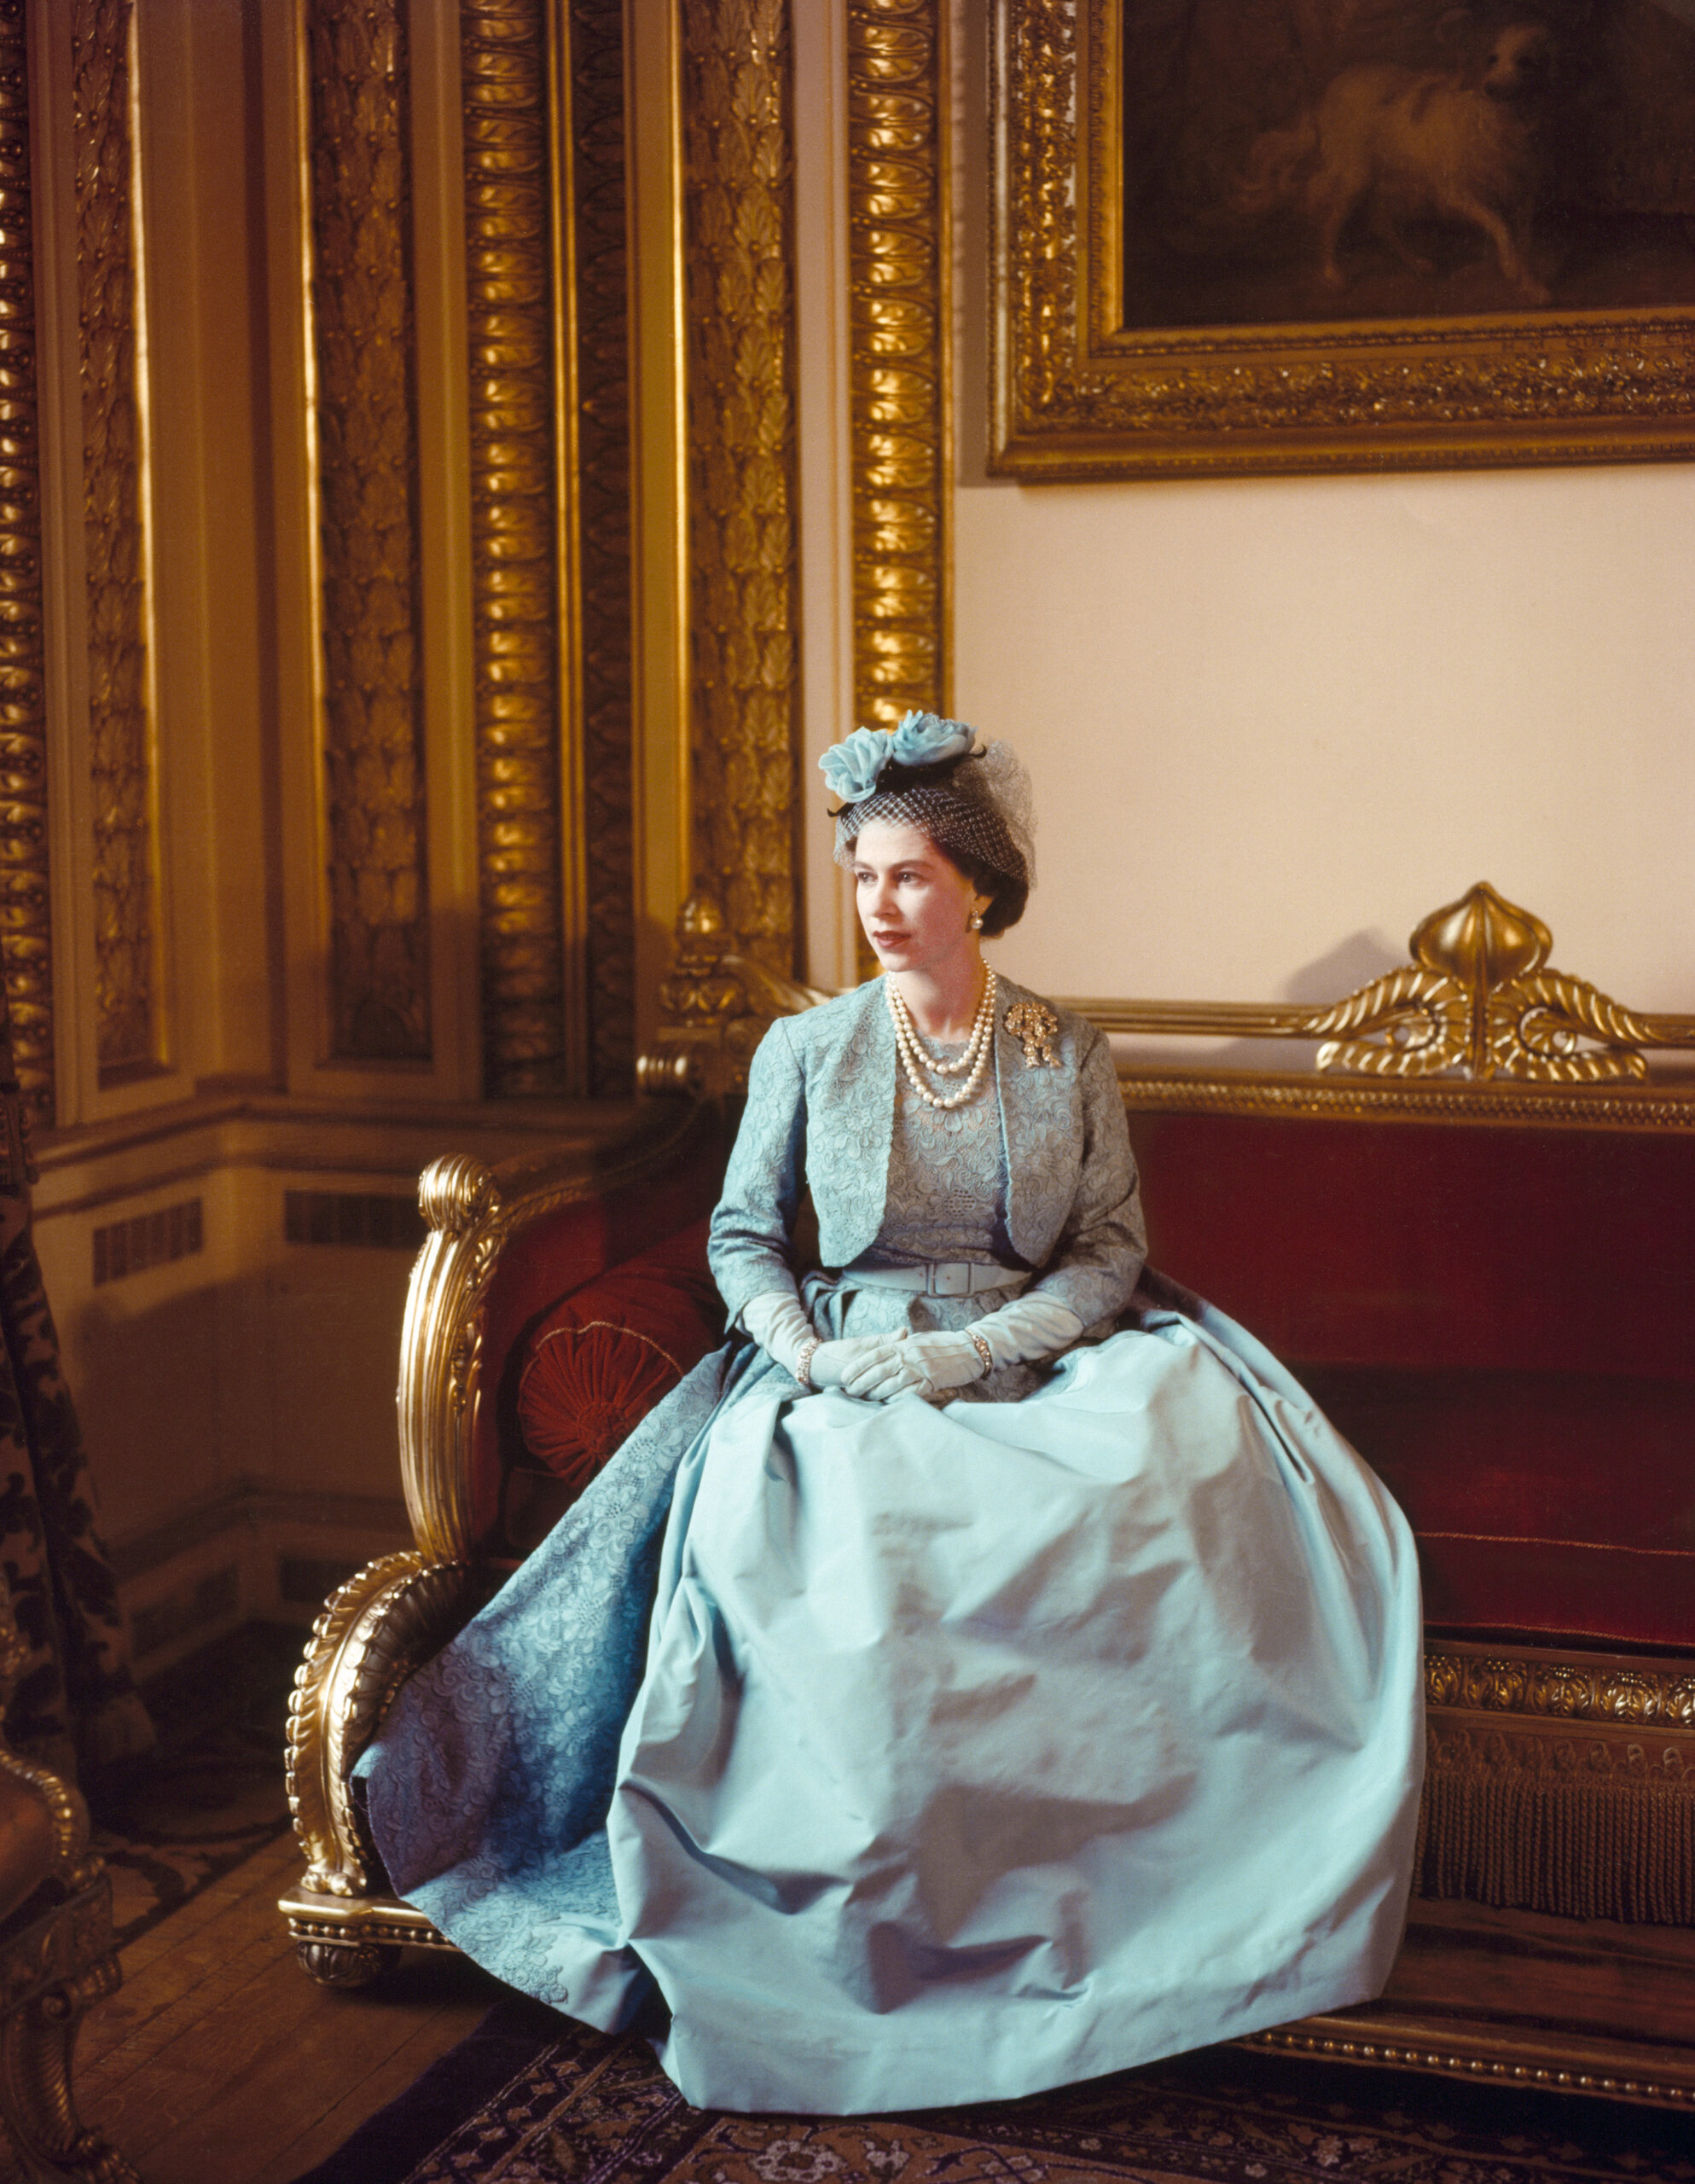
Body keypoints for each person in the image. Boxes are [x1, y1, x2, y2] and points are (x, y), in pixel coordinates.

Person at [357, 713, 1424, 2117]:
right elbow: (743, 1237)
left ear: (979, 887)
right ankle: (865, 1928)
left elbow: (1106, 1251)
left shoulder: (1062, 1051)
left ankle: (1144, 1904)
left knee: (1168, 1470)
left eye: (911, 877)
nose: (880, 907)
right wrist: (804, 1351)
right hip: (842, 1362)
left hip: (1040, 1352)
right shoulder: (809, 1051)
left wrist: (986, 1345)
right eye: (863, 878)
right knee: (841, 1535)